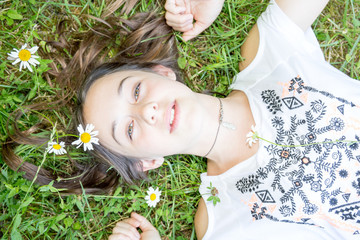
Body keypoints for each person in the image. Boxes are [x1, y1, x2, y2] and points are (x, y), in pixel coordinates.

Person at [2, 0, 359, 239]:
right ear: (148, 162)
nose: (147, 112)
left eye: (137, 92)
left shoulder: (267, 55)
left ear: (162, 72)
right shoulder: (221, 219)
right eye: (129, 129)